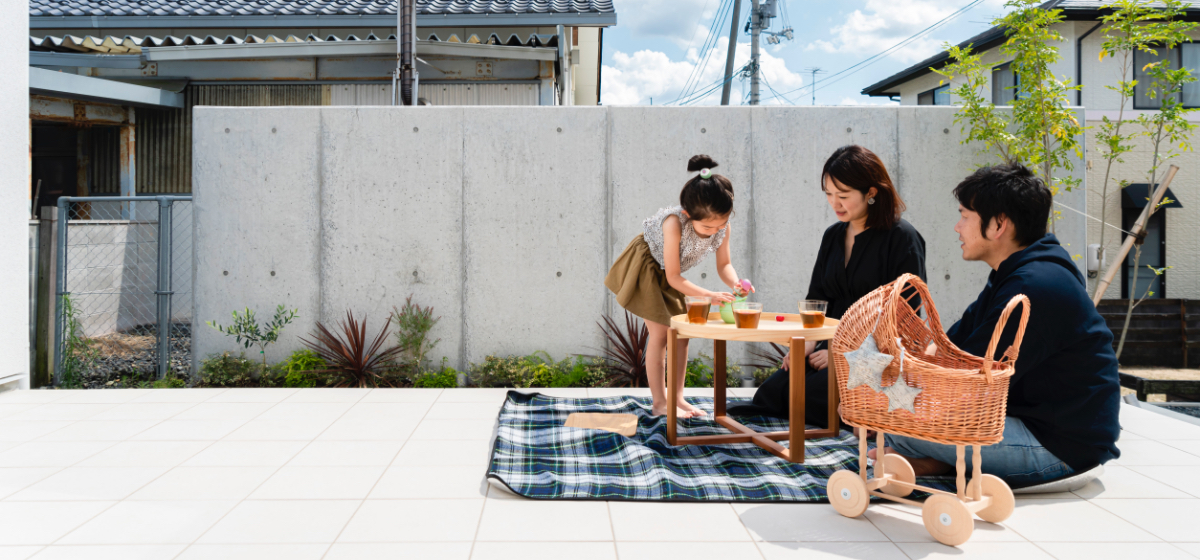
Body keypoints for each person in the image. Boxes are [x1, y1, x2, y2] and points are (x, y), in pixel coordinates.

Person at [872, 164, 1121, 487]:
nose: (957, 227)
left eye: (965, 216)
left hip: (1060, 447)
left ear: (999, 224)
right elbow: (953, 346)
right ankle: (941, 463)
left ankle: (943, 462)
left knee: (891, 419)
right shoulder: (1017, 272)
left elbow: (968, 378)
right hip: (1033, 423)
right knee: (897, 406)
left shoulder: (1035, 286)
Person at [729, 145, 926, 425]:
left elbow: (905, 318)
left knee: (807, 396)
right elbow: (817, 299)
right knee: (771, 393)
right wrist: (805, 346)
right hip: (827, 349)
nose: (835, 203)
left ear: (871, 193)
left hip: (875, 360)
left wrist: (843, 356)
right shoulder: (833, 236)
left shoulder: (903, 239)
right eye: (829, 195)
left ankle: (860, 416)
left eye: (843, 196)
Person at [605, 155, 753, 418]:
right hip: (647, 266)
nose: (714, 230)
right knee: (661, 335)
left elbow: (724, 265)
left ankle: (678, 398)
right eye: (708, 226)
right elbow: (673, 277)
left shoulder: (722, 227)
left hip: (669, 272)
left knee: (681, 334)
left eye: (721, 224)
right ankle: (660, 403)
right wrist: (710, 296)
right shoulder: (674, 223)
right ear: (687, 214)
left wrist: (737, 283)